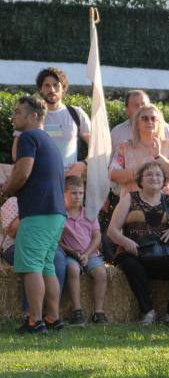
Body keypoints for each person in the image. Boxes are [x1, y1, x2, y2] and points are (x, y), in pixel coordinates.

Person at [1, 96, 66, 334]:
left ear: (34, 116)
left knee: (31, 267)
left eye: (18, 112)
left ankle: (35, 321)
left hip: (38, 212)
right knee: (46, 265)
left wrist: (7, 188)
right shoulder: (48, 141)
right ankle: (52, 318)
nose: (13, 117)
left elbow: (23, 171)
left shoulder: (28, 137)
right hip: (56, 213)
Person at [107, 162, 169, 326]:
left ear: (164, 181)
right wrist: (126, 242)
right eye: (149, 174)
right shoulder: (129, 199)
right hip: (139, 255)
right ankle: (148, 312)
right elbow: (112, 230)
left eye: (158, 175)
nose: (154, 178)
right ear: (140, 179)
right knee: (129, 263)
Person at [60, 175, 108, 325]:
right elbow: (58, 241)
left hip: (91, 254)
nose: (78, 197)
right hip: (71, 255)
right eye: (73, 193)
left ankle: (99, 312)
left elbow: (97, 237)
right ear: (64, 194)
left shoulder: (90, 213)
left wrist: (87, 254)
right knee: (72, 269)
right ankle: (77, 310)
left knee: (101, 273)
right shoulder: (61, 215)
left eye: (81, 193)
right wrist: (73, 253)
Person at [109, 104, 169, 199]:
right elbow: (113, 175)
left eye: (153, 118)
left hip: (164, 206)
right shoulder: (125, 147)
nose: (149, 121)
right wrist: (139, 170)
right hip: (132, 207)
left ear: (159, 123)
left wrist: (159, 157)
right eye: (145, 118)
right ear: (137, 123)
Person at [35, 67, 91, 175]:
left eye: (56, 85)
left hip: (70, 184)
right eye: (47, 85)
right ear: (40, 89)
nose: (51, 90)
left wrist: (84, 164)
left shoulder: (76, 113)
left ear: (63, 88)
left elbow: (96, 145)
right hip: (41, 181)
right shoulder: (33, 116)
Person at [110, 90, 169, 158]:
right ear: (127, 110)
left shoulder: (166, 129)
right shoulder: (117, 132)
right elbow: (110, 165)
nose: (140, 108)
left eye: (143, 104)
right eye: (136, 105)